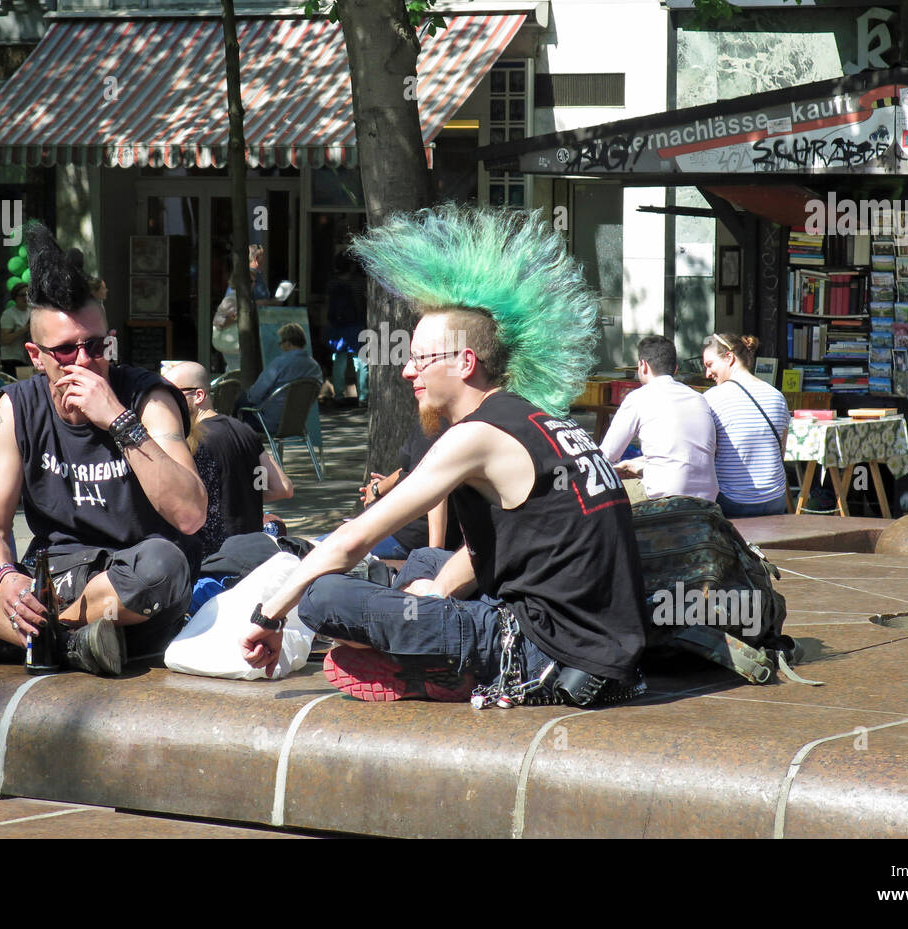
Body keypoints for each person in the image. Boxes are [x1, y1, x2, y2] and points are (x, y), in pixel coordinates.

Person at [241, 206, 648, 707]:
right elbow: (501, 549)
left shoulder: (476, 435)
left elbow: (354, 537)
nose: (408, 372)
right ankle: (423, 647)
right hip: (598, 645)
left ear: (465, 362)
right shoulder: (532, 419)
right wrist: (432, 592)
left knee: (324, 596)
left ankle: (436, 672)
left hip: (544, 655)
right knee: (425, 562)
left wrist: (270, 615)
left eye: (420, 359)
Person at [0, 225, 207, 675]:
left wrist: (117, 419)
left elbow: (190, 515)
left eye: (96, 346)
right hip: (49, 579)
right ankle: (66, 643)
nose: (85, 360)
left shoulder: (147, 399)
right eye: (66, 351)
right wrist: (5, 579)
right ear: (36, 355)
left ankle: (22, 639)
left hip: (126, 585)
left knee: (165, 564)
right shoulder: (17, 406)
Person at [162, 361, 292, 555]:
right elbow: (282, 488)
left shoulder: (191, 440)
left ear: (199, 395)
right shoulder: (244, 430)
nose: (167, 402)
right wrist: (242, 494)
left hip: (213, 556)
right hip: (252, 549)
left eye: (173, 394)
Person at [599, 335, 719, 502]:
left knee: (602, 490)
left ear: (643, 366)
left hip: (664, 497)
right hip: (708, 496)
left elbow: (605, 457)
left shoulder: (638, 398)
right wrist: (638, 465)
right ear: (675, 369)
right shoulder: (698, 398)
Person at [702, 332, 790, 518]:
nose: (707, 373)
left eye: (710, 365)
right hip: (775, 498)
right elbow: (781, 451)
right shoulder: (776, 396)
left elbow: (706, 454)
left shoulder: (712, 398)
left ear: (729, 358)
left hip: (733, 501)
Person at [358, 425, 458, 560]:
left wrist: (434, 556)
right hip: (392, 528)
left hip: (404, 539)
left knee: (323, 550)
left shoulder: (434, 427)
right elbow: (414, 467)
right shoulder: (442, 424)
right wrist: (379, 488)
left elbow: (435, 489)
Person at [242, 322, 324, 434]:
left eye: (281, 343)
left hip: (268, 422)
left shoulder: (279, 363)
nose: (280, 346)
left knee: (239, 402)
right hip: (298, 422)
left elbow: (255, 395)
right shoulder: (315, 367)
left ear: (288, 343)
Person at [326, 255, 368, 404]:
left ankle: (338, 395)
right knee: (360, 360)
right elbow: (364, 301)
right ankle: (363, 396)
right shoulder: (359, 282)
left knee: (339, 361)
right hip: (356, 324)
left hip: (338, 327)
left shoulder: (332, 283)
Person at [0, 282, 31, 375]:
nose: (25, 298)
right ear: (15, 297)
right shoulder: (9, 314)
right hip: (12, 359)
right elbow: (5, 340)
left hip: (27, 359)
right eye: (22, 295)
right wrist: (24, 330)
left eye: (28, 294)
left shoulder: (32, 311)